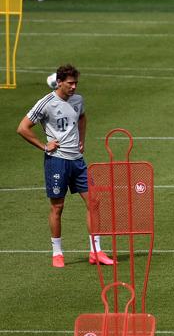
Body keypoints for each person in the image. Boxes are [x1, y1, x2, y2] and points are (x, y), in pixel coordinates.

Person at [16, 64, 115, 269]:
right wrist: (44, 146)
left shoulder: (78, 100)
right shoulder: (46, 103)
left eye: (76, 83)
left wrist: (82, 140)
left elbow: (82, 117)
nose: (74, 87)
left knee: (94, 201)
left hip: (77, 160)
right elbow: (22, 128)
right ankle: (57, 253)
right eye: (70, 83)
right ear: (59, 82)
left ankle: (95, 252)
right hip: (57, 160)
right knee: (57, 207)